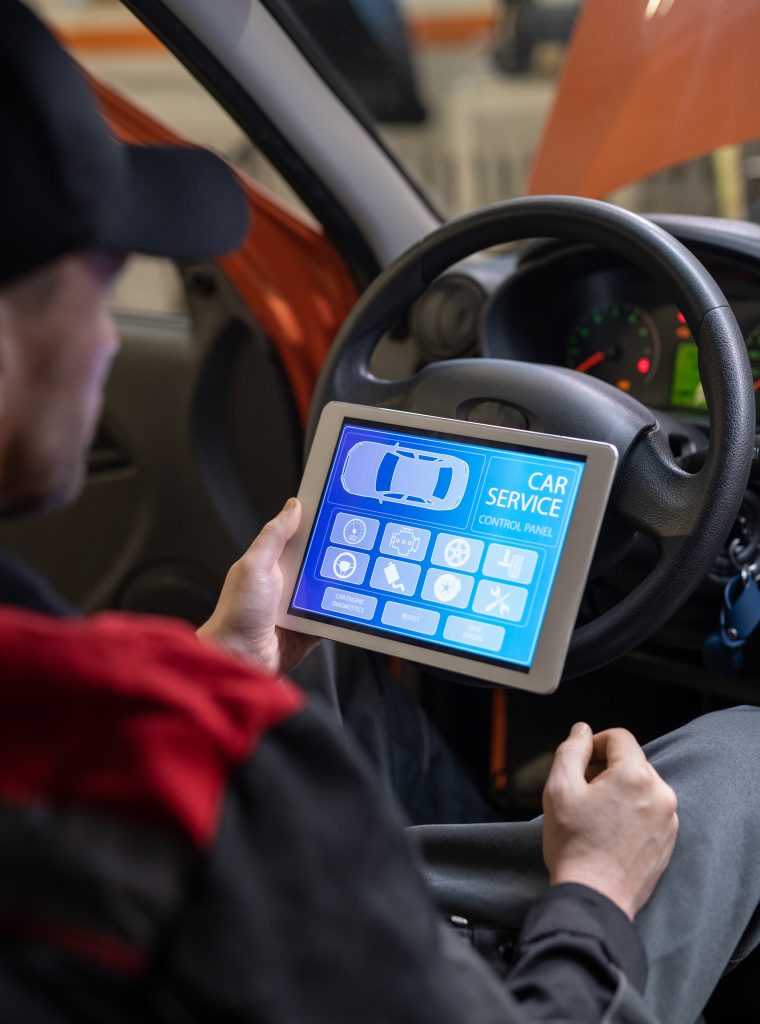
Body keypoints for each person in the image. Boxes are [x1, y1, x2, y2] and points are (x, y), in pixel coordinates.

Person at [0, 3, 759, 1022]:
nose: (106, 339)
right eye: (98, 278)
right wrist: (592, 889)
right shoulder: (166, 754)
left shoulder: (103, 718)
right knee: (745, 754)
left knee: (342, 661)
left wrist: (227, 661)